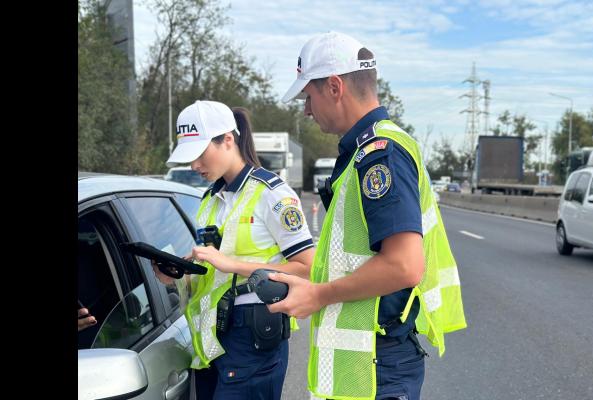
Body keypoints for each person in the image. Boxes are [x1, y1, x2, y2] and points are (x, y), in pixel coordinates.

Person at [267, 31, 468, 400]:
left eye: (307, 98)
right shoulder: (365, 151)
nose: (307, 110)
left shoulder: (380, 153)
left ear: (333, 86)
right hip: (369, 364)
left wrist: (319, 295)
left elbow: (404, 266)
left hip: (379, 366)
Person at [155, 101, 315, 399]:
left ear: (228, 139)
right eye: (189, 158)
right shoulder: (210, 199)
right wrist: (178, 275)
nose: (194, 166)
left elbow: (308, 268)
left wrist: (233, 264)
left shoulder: (272, 194)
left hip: (253, 334)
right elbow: (214, 274)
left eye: (200, 154)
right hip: (213, 338)